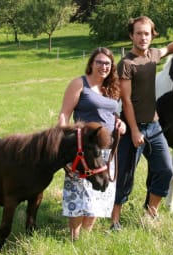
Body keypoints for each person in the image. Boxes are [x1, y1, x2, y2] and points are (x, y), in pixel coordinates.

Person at [110, 16, 173, 231]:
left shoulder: (153, 55)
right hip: (132, 127)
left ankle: (151, 214)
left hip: (154, 127)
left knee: (165, 170)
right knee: (125, 175)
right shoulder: (126, 64)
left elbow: (170, 48)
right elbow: (126, 101)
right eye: (139, 33)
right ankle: (115, 220)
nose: (143, 37)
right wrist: (133, 130)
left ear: (152, 35)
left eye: (147, 33)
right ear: (131, 35)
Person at [57, 47, 126, 240]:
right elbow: (64, 113)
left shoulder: (112, 87)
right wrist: (62, 140)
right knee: (79, 193)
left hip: (108, 149)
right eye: (99, 62)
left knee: (99, 194)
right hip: (84, 150)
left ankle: (85, 237)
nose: (103, 66)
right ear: (91, 63)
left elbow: (113, 114)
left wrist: (121, 124)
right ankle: (74, 236)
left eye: (107, 63)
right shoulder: (80, 84)